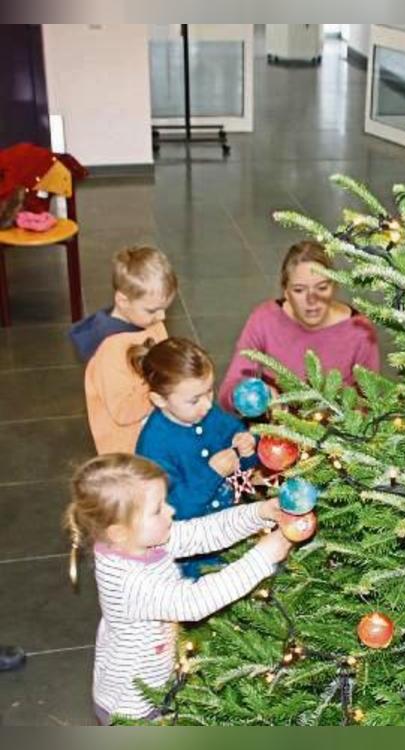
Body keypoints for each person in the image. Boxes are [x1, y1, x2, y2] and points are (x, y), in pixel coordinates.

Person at [65, 453, 291, 724]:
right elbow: (194, 601)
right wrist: (262, 558)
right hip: (132, 706)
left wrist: (258, 513)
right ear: (119, 532)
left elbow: (202, 533)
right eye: (158, 509)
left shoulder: (141, 541)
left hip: (157, 680)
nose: (170, 511)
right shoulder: (129, 582)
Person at [132, 337, 258, 578]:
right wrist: (212, 474)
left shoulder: (209, 416)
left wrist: (248, 448)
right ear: (159, 400)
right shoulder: (154, 446)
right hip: (188, 552)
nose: (207, 405)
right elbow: (175, 512)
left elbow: (246, 468)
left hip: (229, 527)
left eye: (209, 391)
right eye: (194, 400)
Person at [218, 241, 380, 412]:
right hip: (273, 428)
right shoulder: (264, 319)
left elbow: (370, 400)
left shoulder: (359, 330)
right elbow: (228, 392)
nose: (312, 300)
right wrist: (253, 397)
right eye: (299, 290)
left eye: (322, 288)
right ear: (286, 292)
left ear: (334, 286)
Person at [72, 246, 177, 454]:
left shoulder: (151, 323)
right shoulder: (109, 351)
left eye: (165, 308)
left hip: (156, 436)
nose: (162, 316)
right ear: (122, 300)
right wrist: (167, 387)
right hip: (129, 453)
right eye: (152, 310)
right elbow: (122, 411)